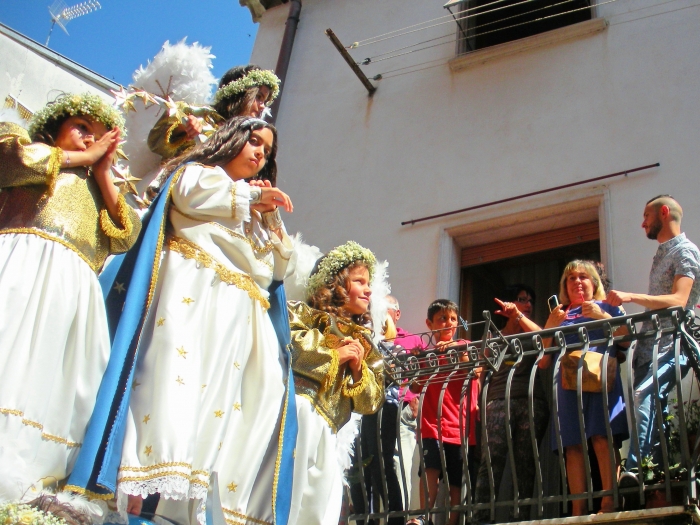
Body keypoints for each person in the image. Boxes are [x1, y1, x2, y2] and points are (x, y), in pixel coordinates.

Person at [109, 116, 296, 525]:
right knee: (173, 386)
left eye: (267, 150)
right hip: (194, 290)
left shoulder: (254, 208)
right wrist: (248, 198)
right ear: (230, 140)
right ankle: (135, 499)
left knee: (226, 407)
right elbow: (189, 194)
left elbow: (281, 267)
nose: (261, 152)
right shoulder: (201, 175)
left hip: (241, 314)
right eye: (254, 141)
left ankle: (188, 510)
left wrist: (268, 215)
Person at [0, 93, 141, 499]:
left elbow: (126, 233)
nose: (89, 141)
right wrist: (81, 159)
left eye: (100, 138)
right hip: (22, 264)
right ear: (55, 126)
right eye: (82, 128)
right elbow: (9, 160)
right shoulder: (31, 150)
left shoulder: (100, 192)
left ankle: (29, 477)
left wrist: (103, 173)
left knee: (51, 376)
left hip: (71, 289)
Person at [287, 241, 385, 525]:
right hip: (299, 411)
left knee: (320, 507)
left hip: (330, 429)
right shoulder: (304, 315)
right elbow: (287, 344)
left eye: (369, 283)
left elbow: (371, 400)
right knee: (290, 491)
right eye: (359, 281)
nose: (369, 290)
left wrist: (358, 370)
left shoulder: (366, 345)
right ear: (336, 284)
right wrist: (334, 354)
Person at [606, 195, 700, 475]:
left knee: (644, 395)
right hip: (651, 347)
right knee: (652, 407)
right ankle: (655, 481)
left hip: (673, 345)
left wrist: (631, 296)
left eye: (646, 216)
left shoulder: (685, 251)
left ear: (663, 212)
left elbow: (679, 300)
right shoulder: (663, 254)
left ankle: (634, 472)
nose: (642, 223)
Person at [540, 261, 628, 515]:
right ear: (564, 287)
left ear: (594, 283)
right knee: (572, 444)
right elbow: (544, 359)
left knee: (603, 437)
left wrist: (602, 316)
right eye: (571, 278)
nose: (577, 281)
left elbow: (626, 339)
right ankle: (578, 509)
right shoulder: (560, 313)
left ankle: (609, 502)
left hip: (602, 378)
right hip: (567, 382)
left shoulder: (609, 305)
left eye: (583, 277)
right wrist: (551, 324)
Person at [474, 285, 549, 521]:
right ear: (508, 303)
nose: (528, 305)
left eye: (530, 301)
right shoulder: (494, 335)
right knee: (492, 461)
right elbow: (480, 369)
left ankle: (522, 518)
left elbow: (545, 347)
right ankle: (481, 517)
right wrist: (477, 401)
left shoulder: (531, 331)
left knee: (525, 463)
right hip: (497, 401)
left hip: (531, 402)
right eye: (521, 300)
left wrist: (519, 317)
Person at [408, 299, 479, 525]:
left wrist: (457, 351)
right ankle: (423, 517)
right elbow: (415, 387)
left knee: (455, 479)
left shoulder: (464, 344)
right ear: (430, 324)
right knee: (430, 469)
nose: (448, 323)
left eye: (452, 319)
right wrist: (421, 360)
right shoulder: (427, 353)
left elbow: (474, 372)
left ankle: (452, 521)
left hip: (458, 425)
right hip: (431, 423)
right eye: (442, 319)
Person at [148, 65, 280, 161]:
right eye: (259, 97)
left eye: (265, 101)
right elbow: (155, 143)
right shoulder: (198, 114)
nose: (263, 107)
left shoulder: (250, 140)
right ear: (240, 94)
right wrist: (183, 128)